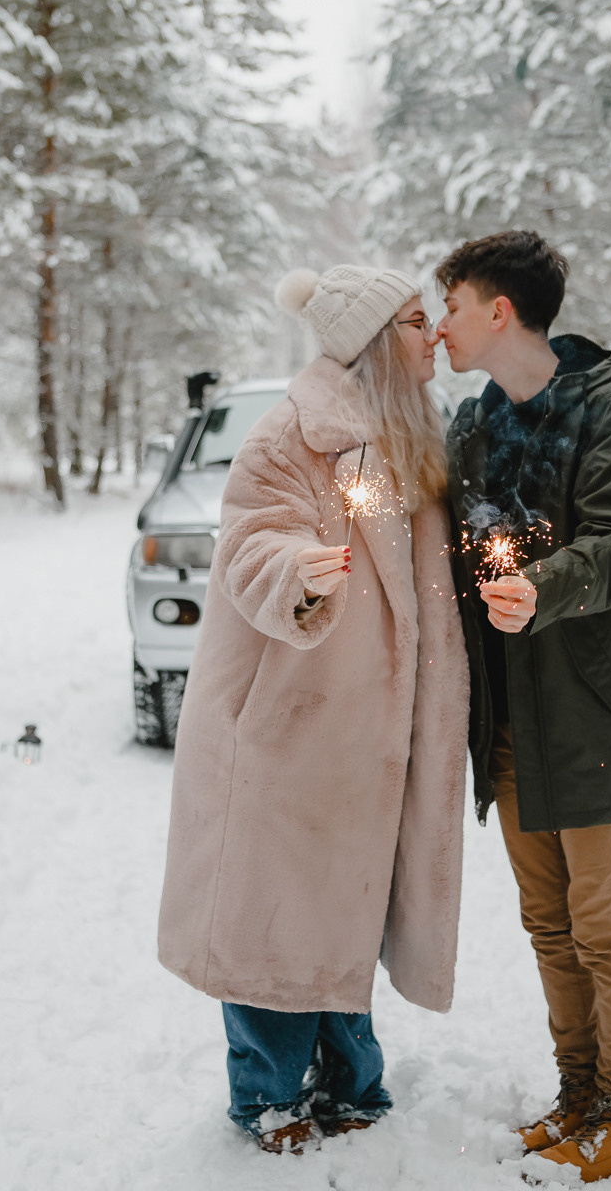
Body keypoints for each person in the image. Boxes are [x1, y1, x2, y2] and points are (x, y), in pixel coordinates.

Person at [158, 263, 469, 1154]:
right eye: (413, 321)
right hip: (288, 725)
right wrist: (296, 573)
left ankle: (350, 1080)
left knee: (345, 904)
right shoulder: (294, 433)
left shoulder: (413, 437)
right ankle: (267, 1096)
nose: (431, 335)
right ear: (373, 343)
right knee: (275, 917)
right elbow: (249, 538)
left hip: (368, 730)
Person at [434, 229, 611, 1184]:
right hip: (512, 716)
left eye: (451, 307)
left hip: (596, 711)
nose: (440, 326)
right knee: (548, 925)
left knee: (602, 926)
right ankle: (577, 1093)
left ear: (498, 310)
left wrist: (542, 587)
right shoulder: (471, 426)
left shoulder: (610, 408)